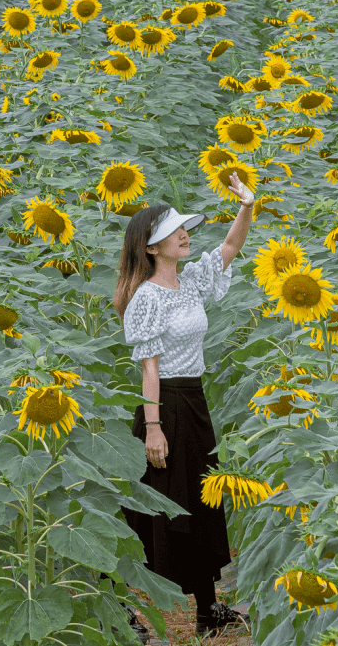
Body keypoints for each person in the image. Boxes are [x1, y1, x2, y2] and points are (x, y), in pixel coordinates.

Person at [113, 172, 255, 640]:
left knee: (199, 505)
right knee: (151, 514)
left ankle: (207, 611)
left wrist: (246, 205)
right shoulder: (146, 299)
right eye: (175, 232)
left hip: (193, 402)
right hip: (163, 406)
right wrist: (154, 428)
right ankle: (119, 612)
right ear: (152, 248)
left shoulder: (190, 281)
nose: (185, 234)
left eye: (184, 228)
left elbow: (229, 250)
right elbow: (149, 371)